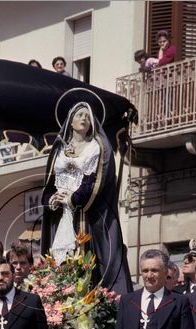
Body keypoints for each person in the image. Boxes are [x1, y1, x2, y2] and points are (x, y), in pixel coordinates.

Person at [41, 101, 132, 294]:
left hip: (89, 215)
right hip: (63, 216)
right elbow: (49, 184)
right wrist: (52, 200)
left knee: (91, 258)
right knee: (61, 260)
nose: (84, 118)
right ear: (70, 122)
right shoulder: (58, 149)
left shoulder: (96, 147)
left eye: (88, 116)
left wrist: (73, 199)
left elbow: (96, 180)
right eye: (80, 115)